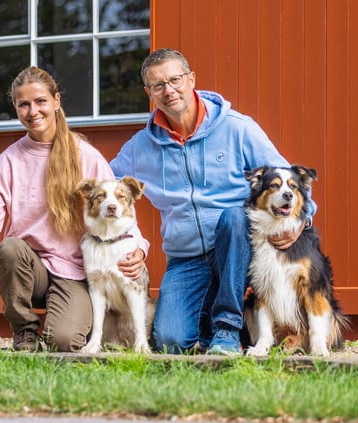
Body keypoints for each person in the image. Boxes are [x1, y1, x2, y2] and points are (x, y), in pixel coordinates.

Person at [110, 48, 312, 356]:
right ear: (148, 92)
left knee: (234, 215)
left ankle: (227, 329)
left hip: (240, 248)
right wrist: (133, 242)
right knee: (171, 341)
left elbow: (286, 177)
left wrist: (302, 221)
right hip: (186, 257)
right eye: (158, 85)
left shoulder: (237, 128)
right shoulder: (141, 147)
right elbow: (105, 183)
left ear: (191, 80)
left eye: (175, 80)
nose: (169, 90)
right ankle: (210, 326)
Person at [0, 66, 149, 352]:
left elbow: (118, 208)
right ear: (16, 109)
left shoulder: (86, 156)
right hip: (31, 270)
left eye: (40, 101)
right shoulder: (7, 163)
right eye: (24, 104)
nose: (33, 111)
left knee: (64, 342)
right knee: (10, 249)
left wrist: (140, 249)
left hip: (76, 271)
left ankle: (73, 320)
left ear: (56, 101)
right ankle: (24, 332)